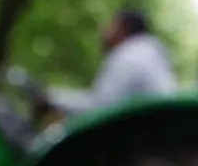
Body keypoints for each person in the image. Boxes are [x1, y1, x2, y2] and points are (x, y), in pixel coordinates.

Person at [47, 8, 177, 115]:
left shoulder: (127, 55)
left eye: (111, 25)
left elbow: (100, 107)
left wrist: (51, 99)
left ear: (124, 29)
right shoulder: (150, 54)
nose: (105, 32)